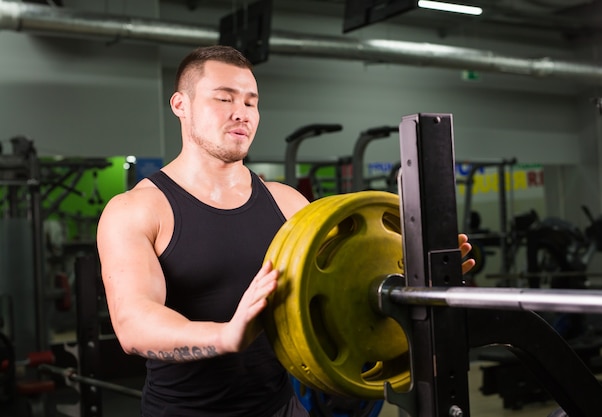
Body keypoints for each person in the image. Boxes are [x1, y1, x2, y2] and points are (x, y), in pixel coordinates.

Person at [96, 45, 475, 417]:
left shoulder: (288, 203)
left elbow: (343, 289)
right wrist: (225, 335)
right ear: (181, 105)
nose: (240, 113)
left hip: (281, 407)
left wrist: (418, 283)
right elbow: (134, 323)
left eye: (250, 102)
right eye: (224, 99)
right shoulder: (137, 209)